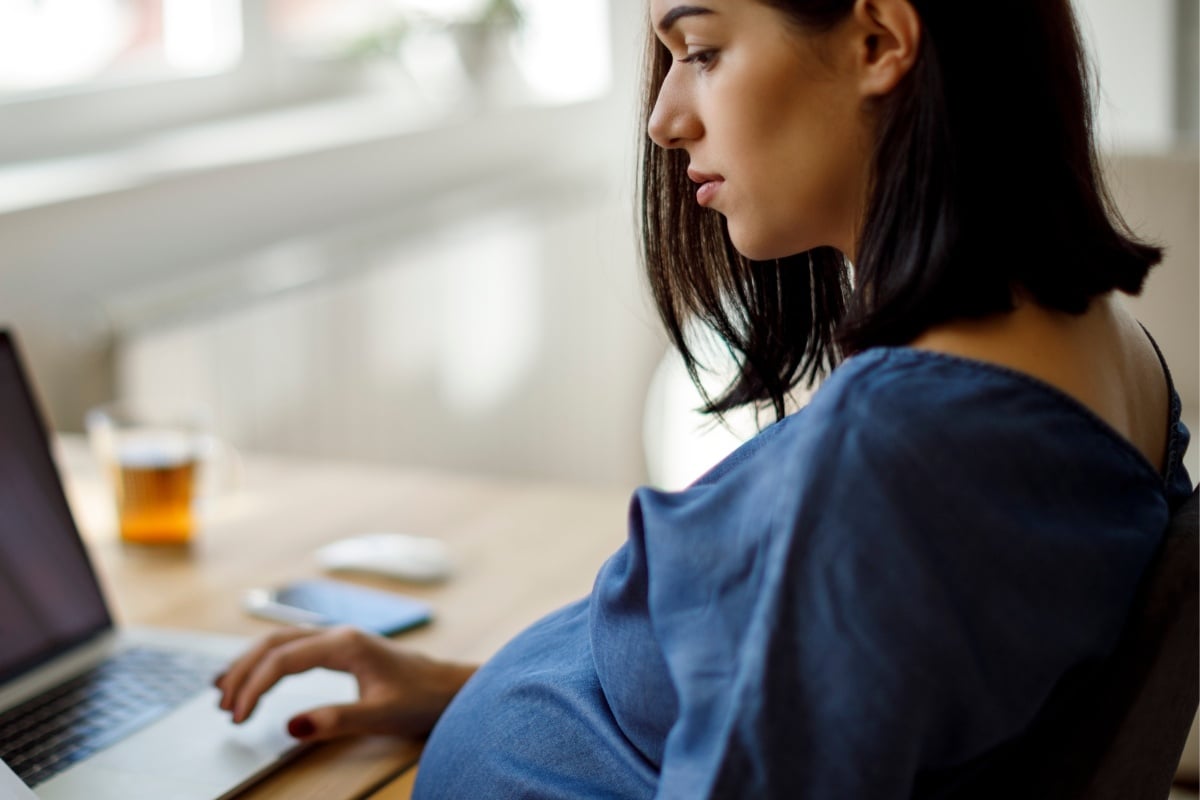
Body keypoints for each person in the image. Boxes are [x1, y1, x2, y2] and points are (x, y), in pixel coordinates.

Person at [215, 0, 1195, 796]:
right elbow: (876, 704)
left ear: (877, 40)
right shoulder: (1102, 350)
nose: (664, 118)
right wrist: (456, 690)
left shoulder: (892, 451)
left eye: (703, 50)